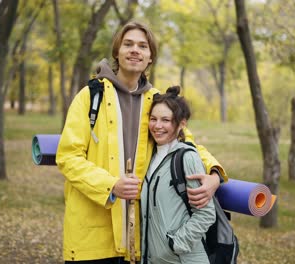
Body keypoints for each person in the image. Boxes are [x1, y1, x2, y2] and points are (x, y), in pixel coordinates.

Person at [56, 20, 227, 264]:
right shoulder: (89, 97)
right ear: (117, 51)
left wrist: (214, 174)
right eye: (128, 44)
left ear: (150, 57)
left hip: (140, 240)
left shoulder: (156, 103)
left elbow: (185, 142)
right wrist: (110, 185)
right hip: (90, 239)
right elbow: (67, 157)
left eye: (142, 46)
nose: (135, 50)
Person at [141, 86, 215, 264]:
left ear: (182, 123)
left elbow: (206, 213)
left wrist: (175, 244)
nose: (157, 126)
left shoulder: (186, 158)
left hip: (183, 259)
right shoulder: (148, 158)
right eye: (153, 119)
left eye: (166, 120)